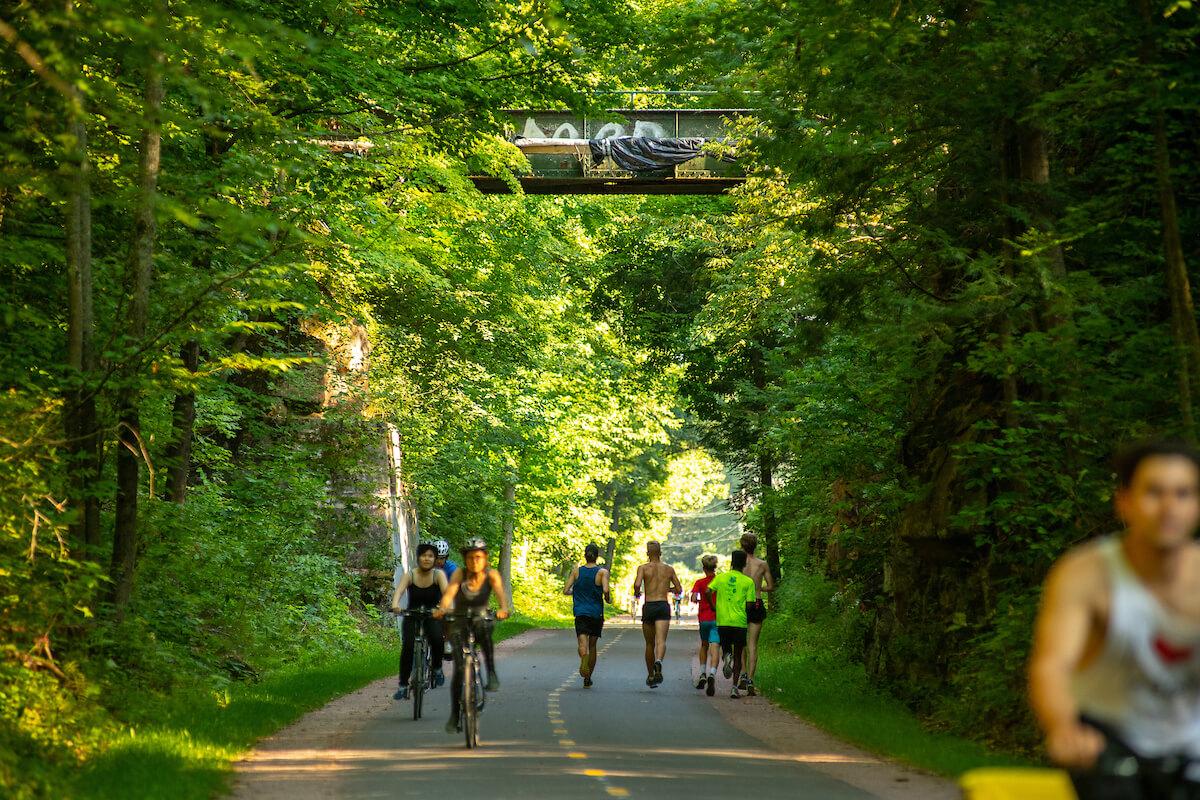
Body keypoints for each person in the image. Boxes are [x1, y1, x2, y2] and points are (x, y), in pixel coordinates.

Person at [1029, 440, 1200, 799]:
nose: (1169, 508)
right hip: (1109, 742)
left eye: (1183, 494)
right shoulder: (1086, 574)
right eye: (1154, 492)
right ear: (1125, 501)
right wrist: (1063, 727)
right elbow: (1053, 664)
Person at [434, 537, 511, 734]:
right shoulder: (460, 573)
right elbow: (449, 594)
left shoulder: (491, 575)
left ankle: (491, 672)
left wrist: (503, 609)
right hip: (459, 620)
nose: (474, 561)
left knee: (485, 630)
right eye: (470, 557)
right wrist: (442, 608)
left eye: (478, 557)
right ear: (464, 558)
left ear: (485, 558)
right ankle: (454, 715)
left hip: (480, 618)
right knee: (459, 670)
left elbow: (502, 597)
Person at [390, 542, 448, 699]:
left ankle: (436, 668)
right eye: (423, 555)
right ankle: (403, 685)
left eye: (430, 556)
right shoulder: (411, 575)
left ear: (435, 559)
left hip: (432, 615)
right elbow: (399, 591)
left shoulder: (438, 575)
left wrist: (442, 608)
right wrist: (395, 605)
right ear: (418, 558)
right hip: (412, 615)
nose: (427, 559)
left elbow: (447, 595)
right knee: (408, 647)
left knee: (437, 639)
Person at [633, 540, 682, 687]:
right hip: (662, 605)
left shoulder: (643, 568)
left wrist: (637, 592)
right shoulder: (668, 569)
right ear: (660, 553)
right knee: (661, 641)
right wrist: (668, 590)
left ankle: (650, 675)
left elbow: (636, 584)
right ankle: (659, 661)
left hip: (649, 606)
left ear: (648, 553)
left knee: (649, 643)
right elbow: (679, 589)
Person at [709, 549, 757, 699]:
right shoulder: (748, 582)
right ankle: (734, 688)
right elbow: (750, 605)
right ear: (744, 564)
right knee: (739, 655)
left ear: (731, 563)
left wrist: (714, 607)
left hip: (722, 621)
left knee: (726, 647)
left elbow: (707, 591)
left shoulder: (721, 578)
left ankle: (726, 656)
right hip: (739, 623)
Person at [564, 543, 611, 687]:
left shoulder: (576, 571)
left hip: (580, 612)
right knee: (593, 646)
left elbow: (566, 590)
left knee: (582, 644)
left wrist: (576, 592)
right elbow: (605, 589)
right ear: (597, 556)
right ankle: (588, 677)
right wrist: (608, 598)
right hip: (596, 613)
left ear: (585, 555)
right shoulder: (602, 572)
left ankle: (583, 658)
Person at [739, 532, 775, 697]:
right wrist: (758, 589)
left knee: (740, 642)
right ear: (756, 546)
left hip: (741, 605)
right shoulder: (763, 564)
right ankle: (751, 679)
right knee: (753, 643)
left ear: (742, 545)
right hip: (758, 603)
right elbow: (771, 586)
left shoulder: (738, 563)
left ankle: (743, 675)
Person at [690, 554, 721, 696]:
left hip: (704, 619)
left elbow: (694, 597)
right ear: (715, 567)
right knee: (715, 646)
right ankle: (712, 674)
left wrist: (697, 600)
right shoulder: (720, 581)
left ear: (703, 568)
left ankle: (702, 673)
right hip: (718, 618)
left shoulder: (699, 582)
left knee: (704, 645)